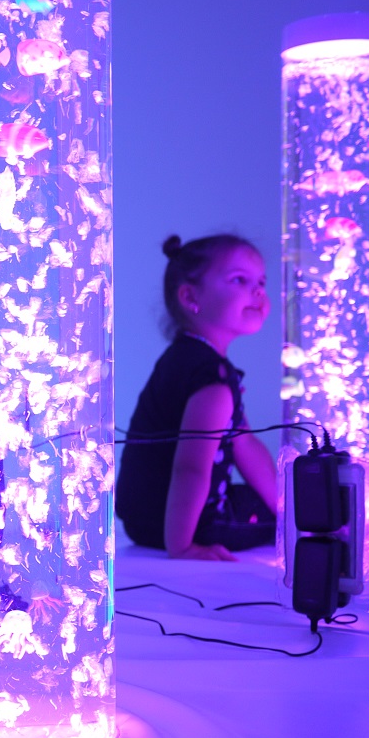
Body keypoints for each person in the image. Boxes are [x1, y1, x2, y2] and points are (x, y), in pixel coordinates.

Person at [115, 233, 278, 562]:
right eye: (239, 280)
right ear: (190, 297)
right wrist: (183, 547)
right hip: (188, 524)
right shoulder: (211, 380)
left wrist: (289, 509)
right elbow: (190, 468)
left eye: (261, 282)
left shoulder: (184, 359)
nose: (258, 291)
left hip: (146, 520)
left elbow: (243, 443)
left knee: (294, 506)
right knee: (318, 511)